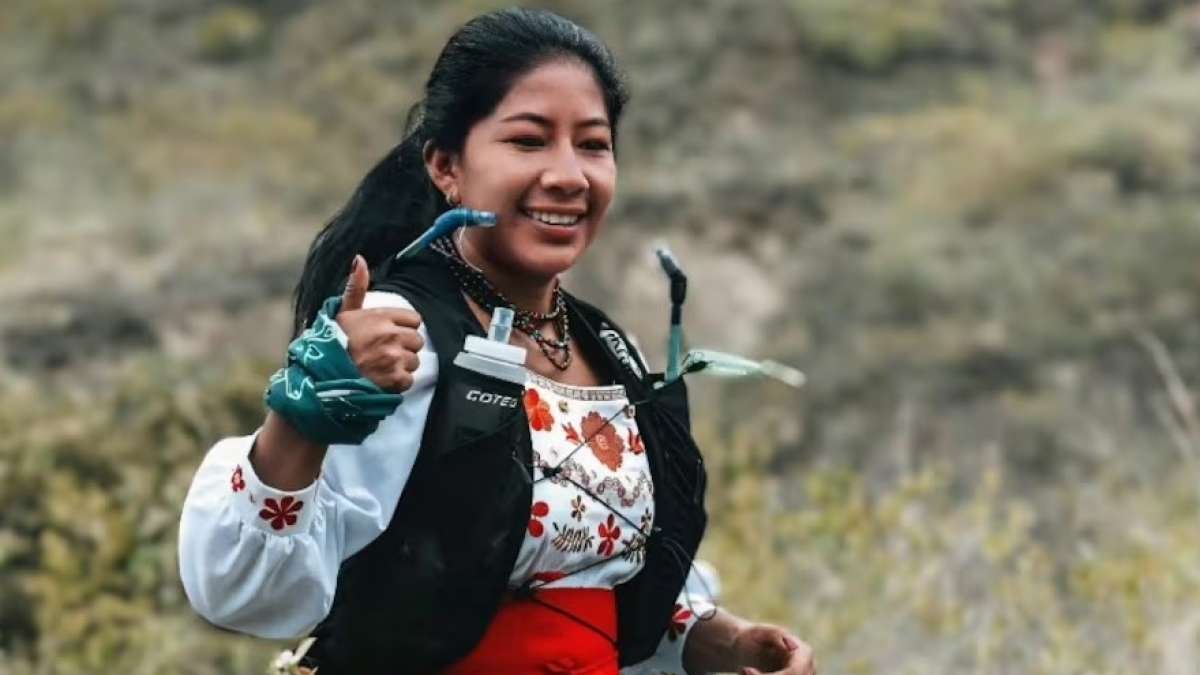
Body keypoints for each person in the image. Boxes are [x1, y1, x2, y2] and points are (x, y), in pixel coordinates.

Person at [179, 8, 814, 675]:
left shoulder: (611, 351)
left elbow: (605, 590)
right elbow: (247, 594)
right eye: (529, 141)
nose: (569, 174)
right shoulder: (399, 337)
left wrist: (722, 639)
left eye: (593, 144)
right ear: (447, 165)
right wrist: (301, 416)